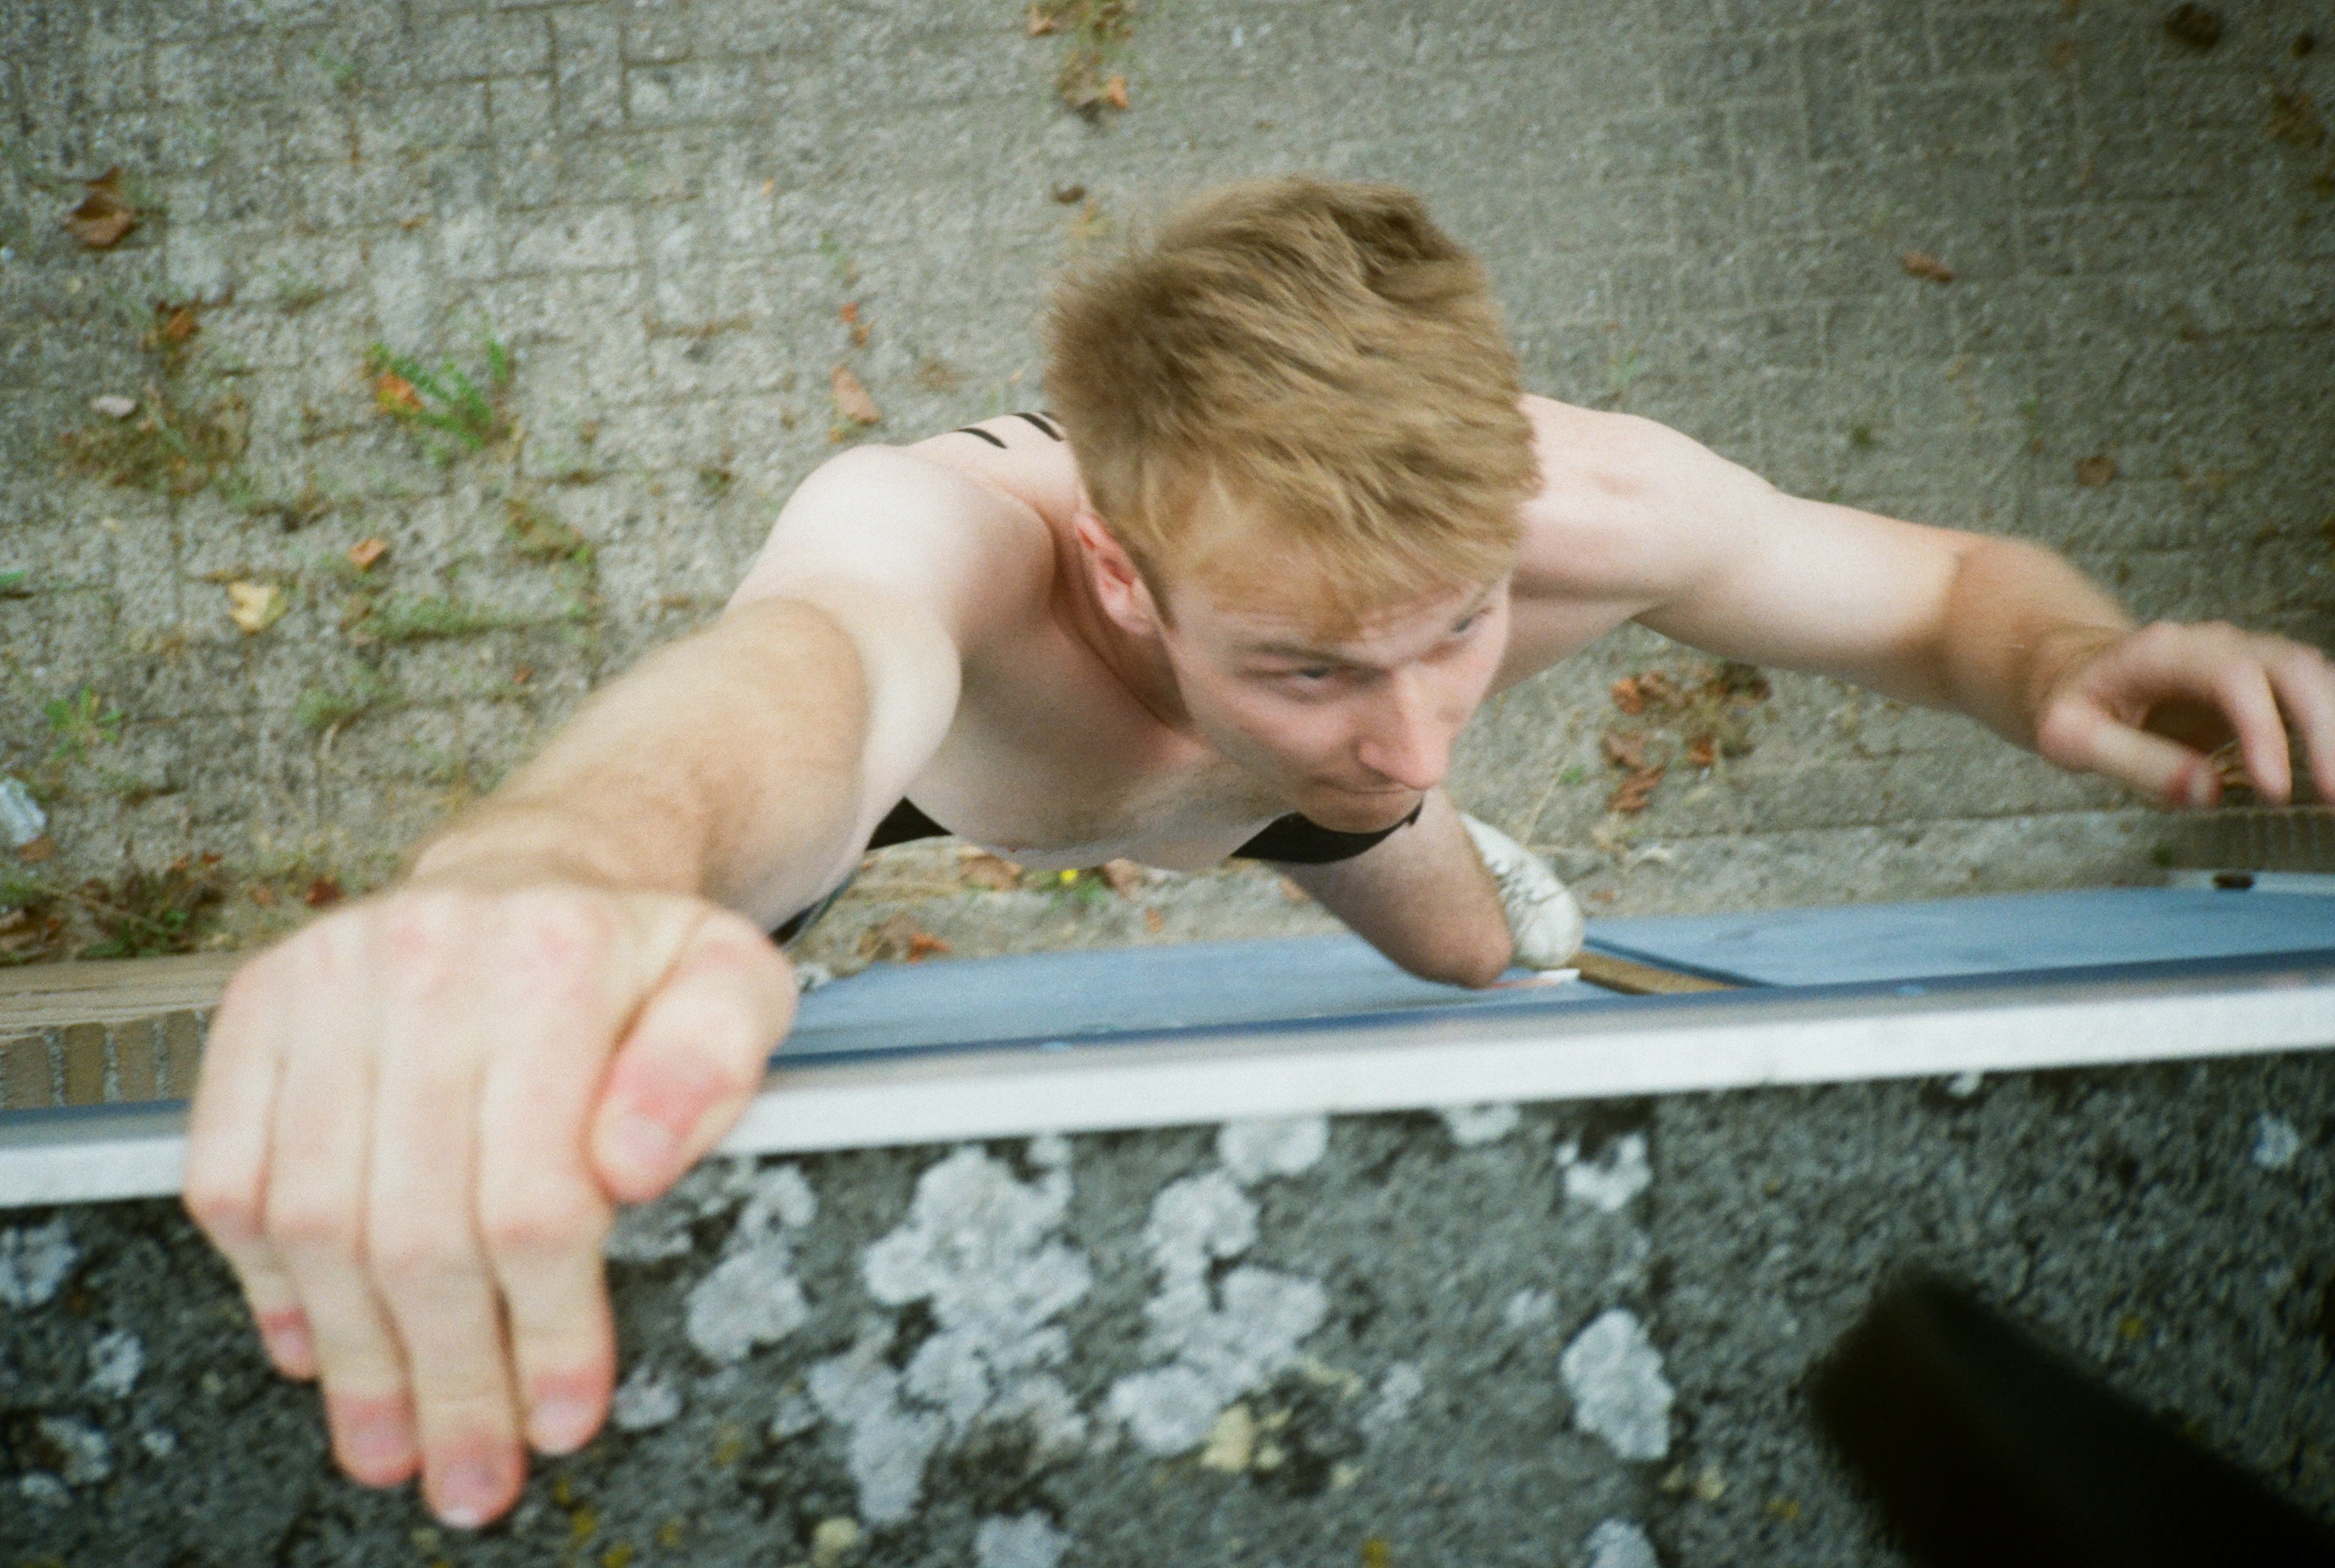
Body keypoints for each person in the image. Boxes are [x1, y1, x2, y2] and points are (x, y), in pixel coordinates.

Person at [181, 178, 2334, 1529]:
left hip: (1266, 801)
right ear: (1124, 571)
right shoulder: (948, 539)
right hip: (956, 769)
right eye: (1313, 655)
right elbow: (798, 672)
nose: (1418, 721)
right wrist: (553, 872)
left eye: (1458, 630)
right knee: (677, 988)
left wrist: (2067, 657)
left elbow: (1942, 594)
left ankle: (1325, 806)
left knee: (1470, 956)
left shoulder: (1584, 516)